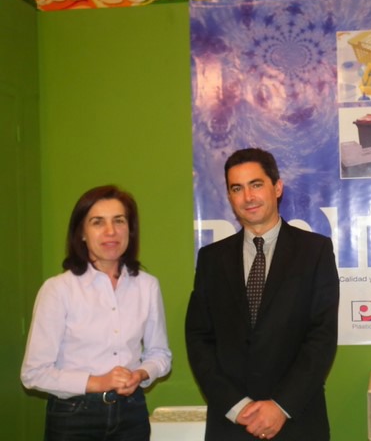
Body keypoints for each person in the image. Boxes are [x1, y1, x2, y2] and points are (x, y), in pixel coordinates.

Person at [185, 148, 340, 440]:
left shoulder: (314, 251)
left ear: (277, 187)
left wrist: (281, 406)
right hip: (231, 423)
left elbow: (321, 336)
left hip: (297, 420)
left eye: (256, 185)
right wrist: (237, 406)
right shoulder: (211, 259)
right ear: (229, 197)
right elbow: (199, 338)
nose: (248, 197)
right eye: (237, 188)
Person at [21, 185, 172, 441]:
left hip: (132, 413)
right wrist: (99, 381)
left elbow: (160, 355)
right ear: (81, 233)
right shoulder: (58, 290)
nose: (110, 231)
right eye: (97, 222)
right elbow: (33, 374)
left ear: (130, 230)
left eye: (119, 221)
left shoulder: (147, 286)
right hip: (73, 416)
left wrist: (140, 374)